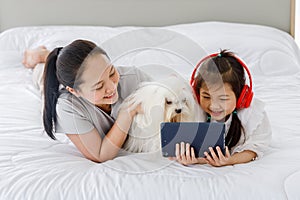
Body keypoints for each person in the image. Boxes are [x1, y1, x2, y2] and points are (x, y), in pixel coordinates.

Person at [22, 39, 152, 163]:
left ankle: (49, 55)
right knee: (41, 76)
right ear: (74, 91)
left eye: (112, 72)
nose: (112, 87)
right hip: (57, 89)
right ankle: (41, 56)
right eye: (99, 86)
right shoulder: (66, 107)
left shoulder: (134, 77)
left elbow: (169, 110)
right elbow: (101, 155)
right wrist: (126, 113)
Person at [173, 49, 272, 167]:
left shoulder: (253, 115)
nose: (213, 105)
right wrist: (192, 158)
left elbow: (255, 148)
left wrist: (230, 160)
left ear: (241, 97)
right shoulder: (191, 108)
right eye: (206, 96)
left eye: (223, 99)